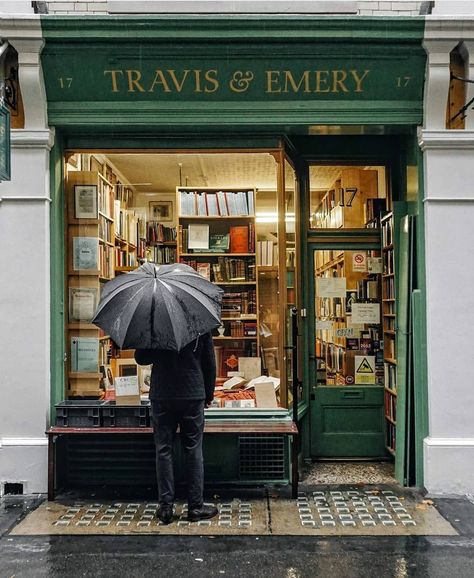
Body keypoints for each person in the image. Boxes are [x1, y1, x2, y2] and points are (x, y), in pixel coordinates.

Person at [135, 332, 217, 524]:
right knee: (193, 449)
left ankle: (165, 508)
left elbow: (141, 358)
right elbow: (209, 362)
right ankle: (195, 507)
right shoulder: (200, 322)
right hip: (192, 392)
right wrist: (209, 394)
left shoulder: (155, 323)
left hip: (163, 393)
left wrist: (148, 339)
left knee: (163, 450)